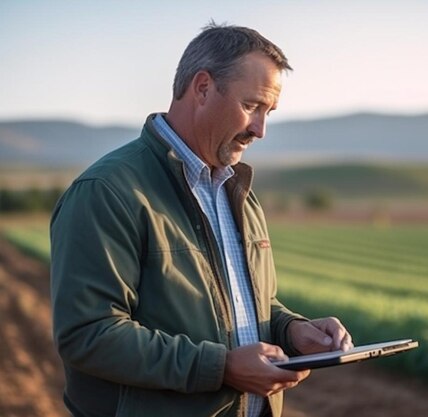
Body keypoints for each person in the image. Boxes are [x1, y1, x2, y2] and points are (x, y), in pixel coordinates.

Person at [50, 23, 353, 417]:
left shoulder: (237, 191)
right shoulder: (108, 191)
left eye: (268, 112)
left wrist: (292, 330)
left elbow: (250, 305)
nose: (260, 130)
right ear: (203, 88)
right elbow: (89, 334)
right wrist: (221, 367)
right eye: (251, 107)